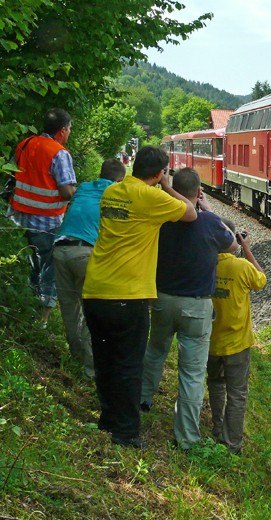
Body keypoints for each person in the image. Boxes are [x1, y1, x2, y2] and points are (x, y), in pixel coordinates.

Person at [82, 146, 197, 449]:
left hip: (95, 290)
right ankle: (127, 433)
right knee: (130, 366)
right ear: (159, 173)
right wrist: (168, 186)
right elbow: (191, 212)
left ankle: (108, 419)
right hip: (127, 295)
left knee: (105, 361)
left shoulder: (112, 192)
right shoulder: (153, 197)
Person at [139, 168, 237, 450]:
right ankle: (187, 437)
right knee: (192, 373)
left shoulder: (161, 219)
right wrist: (208, 209)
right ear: (198, 192)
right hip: (196, 306)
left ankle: (143, 402)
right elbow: (232, 246)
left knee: (155, 351)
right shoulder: (208, 221)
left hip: (162, 299)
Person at [52, 159, 125, 378]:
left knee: (69, 308)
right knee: (93, 310)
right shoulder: (115, 194)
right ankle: (91, 368)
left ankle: (76, 356)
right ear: (119, 180)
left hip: (60, 249)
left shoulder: (83, 187)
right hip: (85, 252)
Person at [8, 108, 77, 323]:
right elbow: (66, 191)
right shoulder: (60, 153)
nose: (69, 132)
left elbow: (11, 173)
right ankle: (42, 319)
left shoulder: (25, 144)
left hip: (16, 219)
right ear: (62, 131)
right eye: (70, 129)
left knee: (27, 263)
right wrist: (78, 193)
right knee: (47, 268)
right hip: (46, 222)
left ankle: (22, 307)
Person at [206, 217, 266, 454]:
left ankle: (217, 427)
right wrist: (248, 250)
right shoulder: (241, 267)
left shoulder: (205, 261)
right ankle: (232, 445)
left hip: (210, 340)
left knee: (215, 384)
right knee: (237, 394)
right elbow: (261, 280)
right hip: (237, 343)